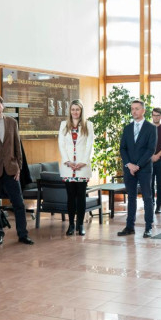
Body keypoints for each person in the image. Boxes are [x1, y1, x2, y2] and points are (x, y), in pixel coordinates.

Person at [0, 94, 34, 245]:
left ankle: (23, 234)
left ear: (2, 105)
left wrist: (18, 167)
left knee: (19, 203)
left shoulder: (12, 122)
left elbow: (17, 146)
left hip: (11, 170)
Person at [119, 99, 157, 238]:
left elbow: (150, 149)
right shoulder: (127, 128)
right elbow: (122, 148)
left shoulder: (151, 128)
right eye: (132, 109)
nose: (134, 111)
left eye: (136, 108)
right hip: (129, 169)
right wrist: (129, 164)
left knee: (147, 197)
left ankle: (148, 227)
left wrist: (138, 165)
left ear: (143, 110)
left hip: (144, 168)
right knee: (131, 198)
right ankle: (130, 227)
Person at [58, 99, 94, 236]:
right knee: (71, 197)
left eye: (77, 109)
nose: (75, 112)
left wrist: (83, 161)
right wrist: (67, 161)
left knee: (81, 197)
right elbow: (61, 144)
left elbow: (89, 145)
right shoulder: (63, 125)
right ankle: (71, 225)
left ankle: (80, 224)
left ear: (81, 111)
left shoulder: (88, 125)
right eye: (73, 109)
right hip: (68, 167)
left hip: (82, 167)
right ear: (70, 111)